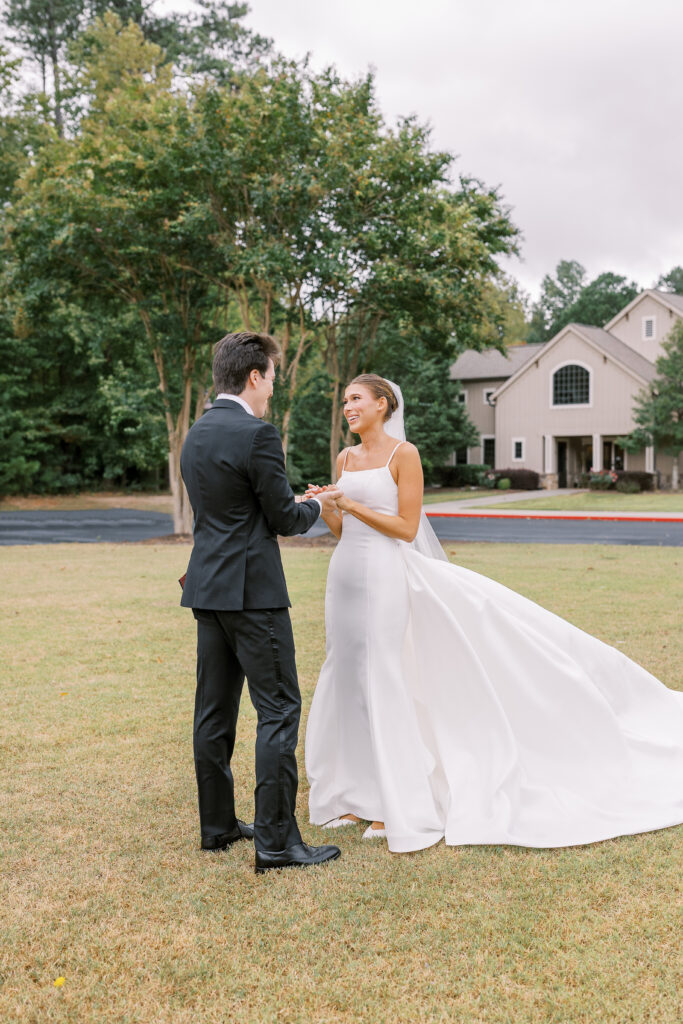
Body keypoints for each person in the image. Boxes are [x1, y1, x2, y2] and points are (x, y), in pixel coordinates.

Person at [304, 374, 683, 853]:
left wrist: (352, 504)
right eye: (345, 402)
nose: (347, 408)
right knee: (347, 674)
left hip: (385, 575)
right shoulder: (345, 458)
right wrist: (327, 505)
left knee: (383, 674)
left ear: (383, 404)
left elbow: (404, 528)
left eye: (356, 399)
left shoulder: (405, 455)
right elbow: (342, 529)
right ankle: (353, 792)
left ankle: (392, 799)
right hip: (345, 577)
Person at [180, 332, 343, 874]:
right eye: (273, 376)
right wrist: (318, 505)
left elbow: (229, 510)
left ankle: (218, 824)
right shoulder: (257, 434)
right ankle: (275, 843)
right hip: (253, 594)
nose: (274, 387)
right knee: (278, 711)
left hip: (208, 588)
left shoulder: (196, 432)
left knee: (214, 710)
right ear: (255, 376)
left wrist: (288, 502)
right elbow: (282, 520)